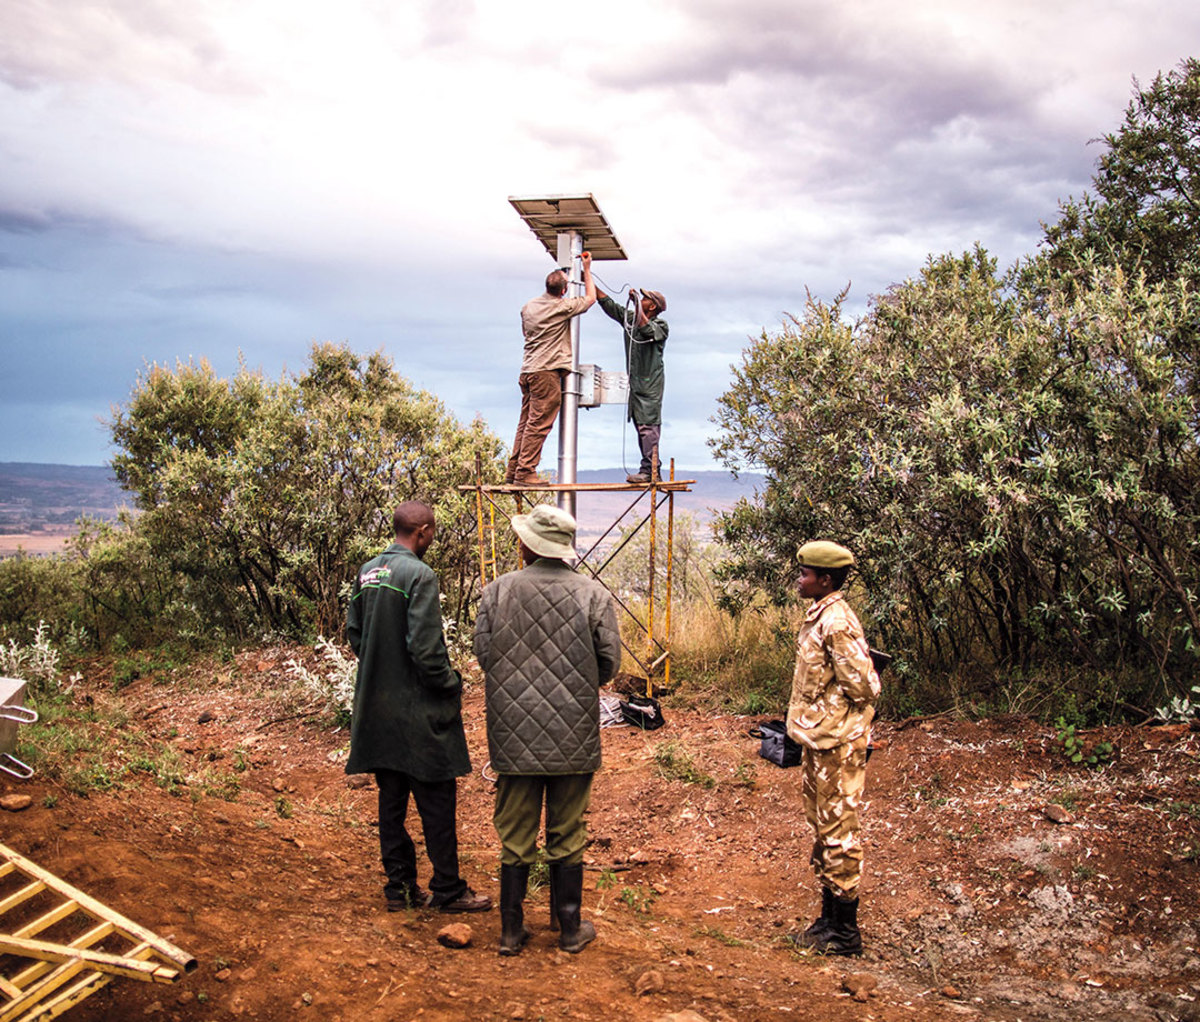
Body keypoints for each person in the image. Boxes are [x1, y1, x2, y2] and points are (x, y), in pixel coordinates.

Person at [474, 504, 620, 955]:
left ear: (526, 545)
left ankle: (511, 932)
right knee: (567, 829)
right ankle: (570, 930)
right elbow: (608, 665)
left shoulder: (496, 592)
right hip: (573, 731)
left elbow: (484, 655)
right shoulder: (593, 595)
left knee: (516, 833)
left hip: (512, 732)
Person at [346, 501, 492, 915]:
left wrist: (382, 667)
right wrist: (450, 684)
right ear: (423, 531)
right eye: (433, 534)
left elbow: (355, 634)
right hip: (420, 716)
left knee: (391, 804)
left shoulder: (368, 571)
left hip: (376, 710)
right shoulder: (420, 575)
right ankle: (447, 888)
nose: (433, 540)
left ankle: (400, 890)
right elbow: (427, 650)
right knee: (437, 802)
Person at [785, 540, 880, 956]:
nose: (800, 580)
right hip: (821, 739)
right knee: (824, 828)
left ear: (825, 580)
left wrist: (838, 717)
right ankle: (829, 921)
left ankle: (845, 933)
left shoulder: (838, 622)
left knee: (840, 832)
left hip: (838, 743)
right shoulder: (821, 615)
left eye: (805, 574)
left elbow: (864, 685)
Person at [505, 252, 597, 486]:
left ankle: (514, 470)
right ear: (564, 291)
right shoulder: (561, 307)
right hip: (546, 372)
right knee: (539, 424)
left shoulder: (528, 307)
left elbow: (526, 333)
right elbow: (590, 299)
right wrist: (587, 268)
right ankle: (525, 472)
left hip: (528, 370)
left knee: (526, 423)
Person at [595, 283, 668, 483]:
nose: (641, 301)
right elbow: (609, 305)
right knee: (641, 426)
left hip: (650, 387)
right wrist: (588, 277)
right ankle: (649, 469)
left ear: (652, 307)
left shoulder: (660, 326)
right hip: (637, 387)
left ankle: (651, 471)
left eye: (645, 299)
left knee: (649, 427)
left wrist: (636, 303)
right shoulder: (631, 320)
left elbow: (646, 330)